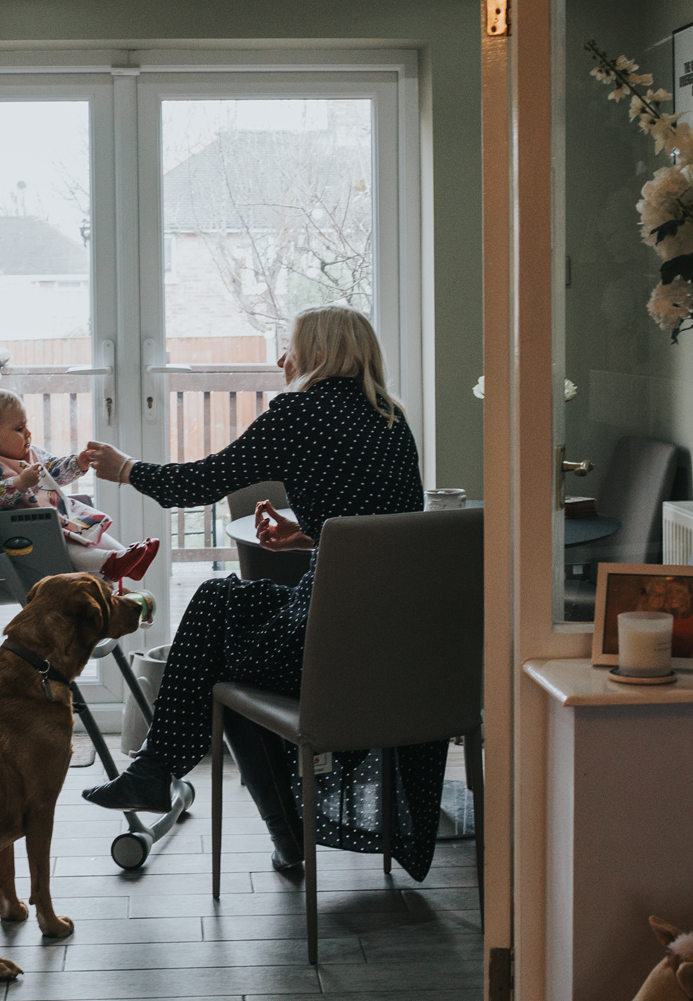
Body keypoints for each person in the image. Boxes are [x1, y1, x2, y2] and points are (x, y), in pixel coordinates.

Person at [77, 306, 439, 878]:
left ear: (318, 354)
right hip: (395, 641)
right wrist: (307, 539)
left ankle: (163, 771)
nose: (281, 360)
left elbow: (196, 483)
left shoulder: (298, 411)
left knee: (221, 624)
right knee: (227, 603)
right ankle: (167, 775)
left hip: (332, 642)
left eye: (290, 347)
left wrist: (125, 470)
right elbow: (381, 529)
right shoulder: (389, 417)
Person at [0, 388, 159, 583]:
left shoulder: (29, 453)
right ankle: (111, 562)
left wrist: (77, 463)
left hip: (51, 516)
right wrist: (19, 483)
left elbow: (52, 470)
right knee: (60, 543)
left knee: (87, 528)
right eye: (19, 429)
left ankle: (126, 559)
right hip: (22, 532)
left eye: (26, 426)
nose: (28, 433)